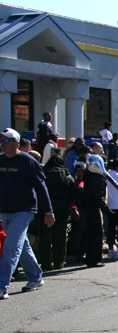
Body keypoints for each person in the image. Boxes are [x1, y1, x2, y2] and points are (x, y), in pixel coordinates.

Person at [0, 128, 55, 299]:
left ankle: (2, 285)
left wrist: (48, 211)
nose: (2, 144)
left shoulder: (27, 161)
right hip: (5, 210)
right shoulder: (0, 160)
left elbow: (41, 187)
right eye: (1, 140)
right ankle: (35, 276)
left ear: (16, 143)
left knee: (11, 247)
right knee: (21, 245)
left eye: (6, 140)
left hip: (23, 211)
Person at [38, 155, 78, 271]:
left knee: (44, 238)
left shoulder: (43, 173)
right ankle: (59, 262)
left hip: (44, 210)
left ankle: (45, 263)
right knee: (60, 238)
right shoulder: (65, 174)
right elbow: (73, 192)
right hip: (61, 211)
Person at [81, 155, 109, 268]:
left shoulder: (88, 175)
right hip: (93, 205)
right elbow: (97, 194)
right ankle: (94, 258)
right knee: (96, 232)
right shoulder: (97, 177)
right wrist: (104, 206)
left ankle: (92, 257)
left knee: (92, 231)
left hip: (88, 204)